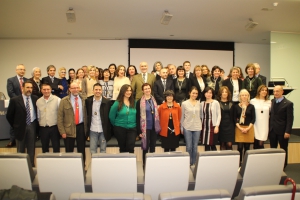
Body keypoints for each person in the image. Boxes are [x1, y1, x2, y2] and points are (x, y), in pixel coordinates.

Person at [6, 80, 38, 166]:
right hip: (20, 127)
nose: (29, 89)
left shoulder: (35, 99)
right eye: (27, 87)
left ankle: (31, 166)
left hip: (32, 125)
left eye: (31, 88)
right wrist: (16, 125)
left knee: (31, 149)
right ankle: (21, 166)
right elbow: (9, 115)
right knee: (20, 149)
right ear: (22, 88)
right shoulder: (14, 100)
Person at [57, 82, 87, 164]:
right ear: (70, 89)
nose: (75, 89)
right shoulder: (64, 101)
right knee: (69, 151)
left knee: (81, 150)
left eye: (77, 87)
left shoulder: (84, 99)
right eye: (73, 88)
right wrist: (62, 132)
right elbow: (59, 117)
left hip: (81, 127)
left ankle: (82, 167)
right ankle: (69, 168)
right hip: (68, 129)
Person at [269, 85, 294, 168]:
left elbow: (290, 119)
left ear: (282, 92)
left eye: (277, 91)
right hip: (272, 130)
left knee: (283, 149)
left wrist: (288, 131)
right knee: (273, 149)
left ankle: (283, 165)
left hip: (282, 131)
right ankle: (273, 164)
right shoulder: (272, 101)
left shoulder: (288, 103)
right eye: (274, 91)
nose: (275, 93)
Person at [136, 83, 161, 165]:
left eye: (148, 88)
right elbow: (137, 116)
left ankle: (152, 165)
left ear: (151, 89)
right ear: (143, 91)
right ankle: (145, 165)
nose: (147, 90)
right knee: (145, 148)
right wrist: (139, 131)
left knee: (153, 146)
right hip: (145, 128)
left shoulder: (154, 100)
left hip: (154, 127)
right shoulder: (139, 102)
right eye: (145, 89)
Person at [109, 84, 137, 153]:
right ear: (123, 91)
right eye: (127, 90)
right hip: (120, 128)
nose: (129, 92)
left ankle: (130, 163)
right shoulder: (117, 103)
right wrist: (117, 125)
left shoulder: (134, 102)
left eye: (130, 90)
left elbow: (137, 115)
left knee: (131, 147)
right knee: (123, 148)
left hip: (132, 128)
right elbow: (111, 116)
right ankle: (123, 163)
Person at [86, 83, 112, 154]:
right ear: (93, 91)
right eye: (96, 89)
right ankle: (94, 165)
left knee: (103, 150)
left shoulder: (107, 102)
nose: (98, 91)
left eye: (99, 90)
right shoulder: (88, 101)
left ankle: (102, 165)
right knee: (92, 151)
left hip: (103, 130)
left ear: (102, 91)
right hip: (92, 130)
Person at [6, 64, 28, 147]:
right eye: (20, 69)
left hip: (25, 104)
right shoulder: (11, 80)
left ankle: (24, 138)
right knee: (15, 122)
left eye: (24, 70)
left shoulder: (27, 80)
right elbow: (10, 92)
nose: (22, 71)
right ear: (16, 70)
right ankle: (12, 140)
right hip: (15, 104)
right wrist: (19, 100)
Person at [36, 83, 61, 153]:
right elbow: (38, 115)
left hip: (54, 127)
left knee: (56, 147)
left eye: (48, 89)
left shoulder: (57, 100)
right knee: (44, 148)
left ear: (51, 90)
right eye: (44, 89)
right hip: (43, 128)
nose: (46, 91)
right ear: (41, 90)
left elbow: (60, 114)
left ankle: (56, 163)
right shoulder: (38, 101)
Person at [234, 89, 255, 165]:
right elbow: (234, 119)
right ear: (240, 96)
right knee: (239, 147)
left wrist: (247, 128)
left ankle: (246, 164)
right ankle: (239, 163)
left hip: (249, 128)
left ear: (248, 96)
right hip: (239, 128)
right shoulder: (236, 106)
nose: (244, 96)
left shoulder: (251, 107)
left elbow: (253, 119)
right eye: (242, 95)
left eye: (246, 95)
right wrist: (240, 128)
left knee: (247, 148)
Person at [181, 87, 202, 166]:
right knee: (189, 146)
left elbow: (201, 116)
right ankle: (188, 163)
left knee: (195, 146)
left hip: (197, 127)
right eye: (193, 93)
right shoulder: (184, 103)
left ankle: (194, 162)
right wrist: (181, 127)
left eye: (196, 93)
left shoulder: (199, 103)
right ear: (189, 93)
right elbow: (182, 116)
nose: (195, 95)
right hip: (187, 127)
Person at [250, 85, 271, 149]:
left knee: (261, 143)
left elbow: (271, 113)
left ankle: (261, 158)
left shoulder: (269, 102)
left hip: (264, 125)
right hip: (256, 124)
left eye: (266, 90)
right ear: (259, 91)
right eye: (262, 90)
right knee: (255, 143)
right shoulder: (253, 101)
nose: (264, 92)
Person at [200, 87, 221, 151]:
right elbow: (201, 116)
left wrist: (217, 126)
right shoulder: (202, 103)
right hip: (204, 126)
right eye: (207, 92)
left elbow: (219, 115)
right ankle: (207, 160)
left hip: (213, 125)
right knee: (206, 145)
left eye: (210, 93)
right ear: (204, 94)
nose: (208, 94)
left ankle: (215, 160)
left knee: (213, 144)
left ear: (212, 94)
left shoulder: (216, 102)